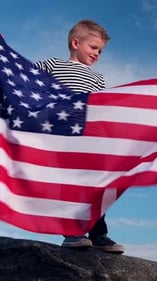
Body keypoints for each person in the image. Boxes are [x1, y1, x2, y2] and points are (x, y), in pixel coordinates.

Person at [34, 19, 124, 254]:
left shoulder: (98, 78)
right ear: (76, 43)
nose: (97, 54)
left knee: (94, 185)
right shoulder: (53, 64)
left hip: (86, 137)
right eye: (93, 48)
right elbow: (25, 76)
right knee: (68, 185)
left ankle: (98, 233)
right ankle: (73, 233)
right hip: (59, 135)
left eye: (100, 51)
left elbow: (99, 106)